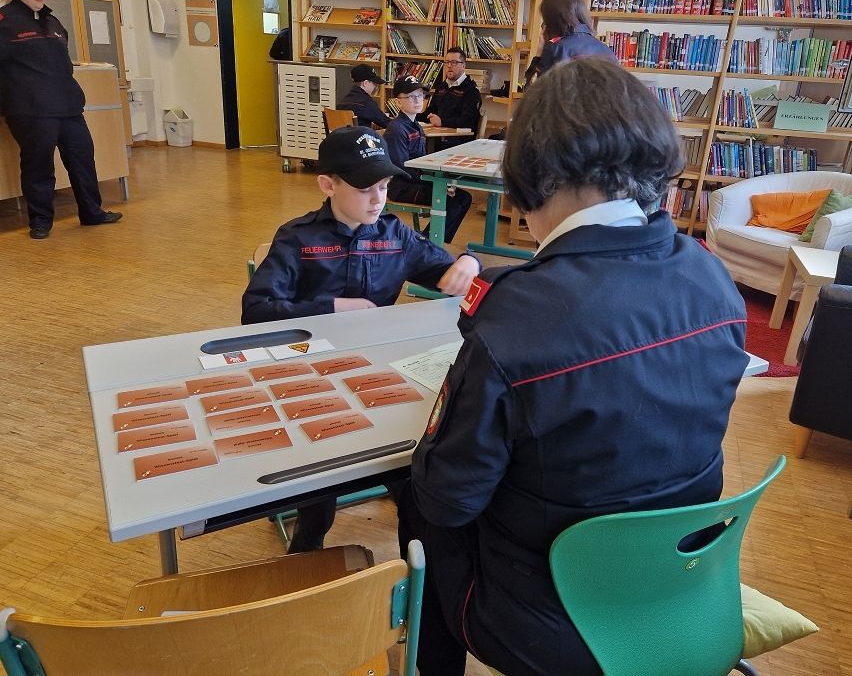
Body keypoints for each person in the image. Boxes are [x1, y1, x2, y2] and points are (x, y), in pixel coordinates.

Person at [397, 58, 750, 676]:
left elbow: (451, 499)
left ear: (534, 178)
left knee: (421, 506)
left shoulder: (517, 318)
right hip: (675, 580)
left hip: (548, 618)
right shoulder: (710, 275)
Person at [241, 125, 479, 553]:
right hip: (310, 373)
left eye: (385, 187)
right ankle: (308, 543)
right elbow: (255, 312)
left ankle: (415, 548)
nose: (378, 199)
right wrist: (333, 308)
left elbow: (445, 272)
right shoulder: (298, 239)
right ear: (327, 184)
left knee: (414, 458)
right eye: (365, 188)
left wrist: (469, 262)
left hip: (380, 372)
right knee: (324, 466)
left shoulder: (394, 234)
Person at [0, 0, 122, 239]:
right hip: (30, 110)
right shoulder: (4, 22)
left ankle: (92, 212)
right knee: (39, 166)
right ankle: (41, 221)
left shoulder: (51, 21)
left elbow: (63, 62)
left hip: (67, 105)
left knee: (82, 159)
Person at [384, 75, 472, 243]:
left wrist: (441, 181)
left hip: (417, 181)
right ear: (397, 102)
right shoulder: (396, 129)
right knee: (453, 202)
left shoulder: (416, 125)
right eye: (410, 96)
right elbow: (402, 169)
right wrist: (435, 183)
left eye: (420, 95)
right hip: (403, 187)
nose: (417, 100)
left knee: (464, 198)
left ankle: (432, 242)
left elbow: (422, 161)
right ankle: (425, 244)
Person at [525, 0, 616, 84]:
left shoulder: (556, 50)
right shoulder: (608, 52)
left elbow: (534, 96)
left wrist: (539, 54)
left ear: (551, 20)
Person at [418, 46, 481, 149]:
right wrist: (411, 116)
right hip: (438, 137)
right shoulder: (442, 87)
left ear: (463, 66)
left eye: (454, 62)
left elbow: (468, 121)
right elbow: (430, 112)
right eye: (447, 62)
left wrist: (442, 122)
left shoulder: (471, 91)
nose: (449, 66)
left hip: (459, 142)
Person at [337, 63, 391, 129]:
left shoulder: (342, 102)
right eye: (374, 83)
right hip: (360, 138)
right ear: (365, 83)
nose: (375, 87)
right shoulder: (366, 103)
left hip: (340, 138)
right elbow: (387, 123)